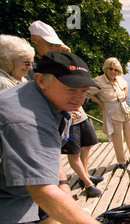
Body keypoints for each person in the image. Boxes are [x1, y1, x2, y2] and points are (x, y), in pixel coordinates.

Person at [0, 51, 130, 224]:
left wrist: (62, 183)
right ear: (41, 80)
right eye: (72, 89)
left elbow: (50, 152)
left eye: (84, 91)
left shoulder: (53, 102)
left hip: (18, 178)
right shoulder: (25, 119)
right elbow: (42, 191)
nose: (80, 98)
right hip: (5, 196)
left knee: (47, 214)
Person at [29, 20, 103, 197]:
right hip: (59, 118)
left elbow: (78, 80)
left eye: (56, 44)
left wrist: (68, 58)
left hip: (78, 115)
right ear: (35, 40)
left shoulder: (58, 60)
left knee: (87, 144)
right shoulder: (33, 66)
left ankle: (84, 174)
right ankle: (86, 183)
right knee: (73, 150)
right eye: (49, 44)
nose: (54, 48)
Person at [86, 57, 130, 169]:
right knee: (118, 138)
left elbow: (126, 85)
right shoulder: (98, 81)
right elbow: (87, 92)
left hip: (124, 110)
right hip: (112, 112)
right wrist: (99, 102)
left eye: (116, 70)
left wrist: (125, 95)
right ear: (106, 68)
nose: (113, 72)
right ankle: (121, 160)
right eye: (111, 69)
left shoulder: (119, 79)